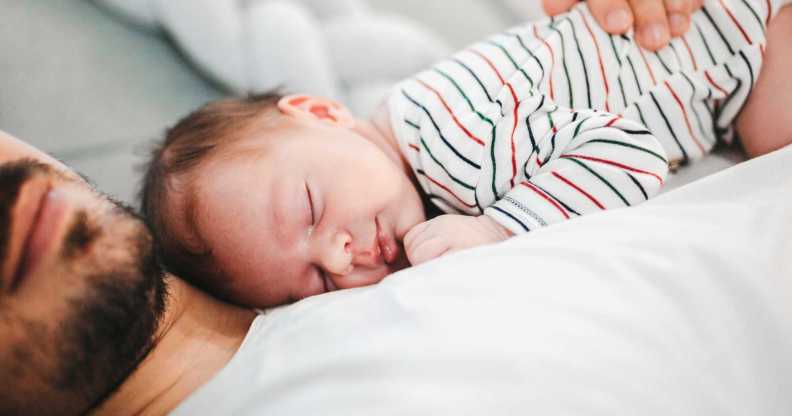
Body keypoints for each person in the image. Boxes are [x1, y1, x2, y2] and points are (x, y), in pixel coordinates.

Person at [141, 0, 790, 310]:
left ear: (322, 112)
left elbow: (630, 149)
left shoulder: (450, 147)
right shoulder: (420, 135)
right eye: (314, 281)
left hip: (740, 35)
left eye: (310, 210)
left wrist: (500, 226)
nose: (340, 256)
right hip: (729, 74)